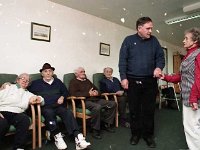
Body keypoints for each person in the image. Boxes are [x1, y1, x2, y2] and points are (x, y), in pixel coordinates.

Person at [118, 17, 165, 148]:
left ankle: (148, 135)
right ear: (139, 28)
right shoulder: (128, 40)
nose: (151, 31)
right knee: (134, 110)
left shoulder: (154, 41)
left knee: (149, 110)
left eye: (151, 28)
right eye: (148, 28)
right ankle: (135, 134)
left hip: (150, 82)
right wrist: (123, 77)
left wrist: (158, 67)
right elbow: (123, 61)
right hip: (132, 81)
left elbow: (160, 57)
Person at [28, 63, 90, 150]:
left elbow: (66, 92)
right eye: (45, 71)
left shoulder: (58, 82)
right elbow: (24, 87)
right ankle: (57, 136)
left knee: (68, 112)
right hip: (46, 107)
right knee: (49, 114)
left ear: (52, 72)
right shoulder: (35, 83)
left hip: (58, 106)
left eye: (50, 71)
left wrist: (62, 97)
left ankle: (78, 138)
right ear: (42, 74)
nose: (48, 73)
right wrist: (9, 84)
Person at [160, 27, 200, 150]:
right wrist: (165, 76)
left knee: (191, 127)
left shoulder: (198, 55)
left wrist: (193, 98)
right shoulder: (188, 55)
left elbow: (199, 78)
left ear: (195, 41)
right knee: (195, 126)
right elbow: (181, 76)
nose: (183, 41)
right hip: (191, 96)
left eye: (186, 38)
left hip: (193, 97)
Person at [69, 67, 117, 139]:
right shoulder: (73, 82)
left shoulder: (87, 81)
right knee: (97, 107)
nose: (83, 73)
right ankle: (95, 129)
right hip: (84, 101)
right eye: (81, 72)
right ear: (76, 74)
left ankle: (106, 124)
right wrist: (88, 94)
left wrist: (96, 92)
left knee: (113, 104)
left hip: (95, 99)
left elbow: (97, 90)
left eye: (84, 71)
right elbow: (73, 93)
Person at [0, 73, 44, 150]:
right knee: (3, 123)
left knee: (24, 120)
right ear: (17, 80)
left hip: (17, 113)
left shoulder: (28, 93)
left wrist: (37, 98)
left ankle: (19, 147)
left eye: (27, 80)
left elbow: (42, 101)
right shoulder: (9, 87)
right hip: (3, 111)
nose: (25, 81)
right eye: (23, 78)